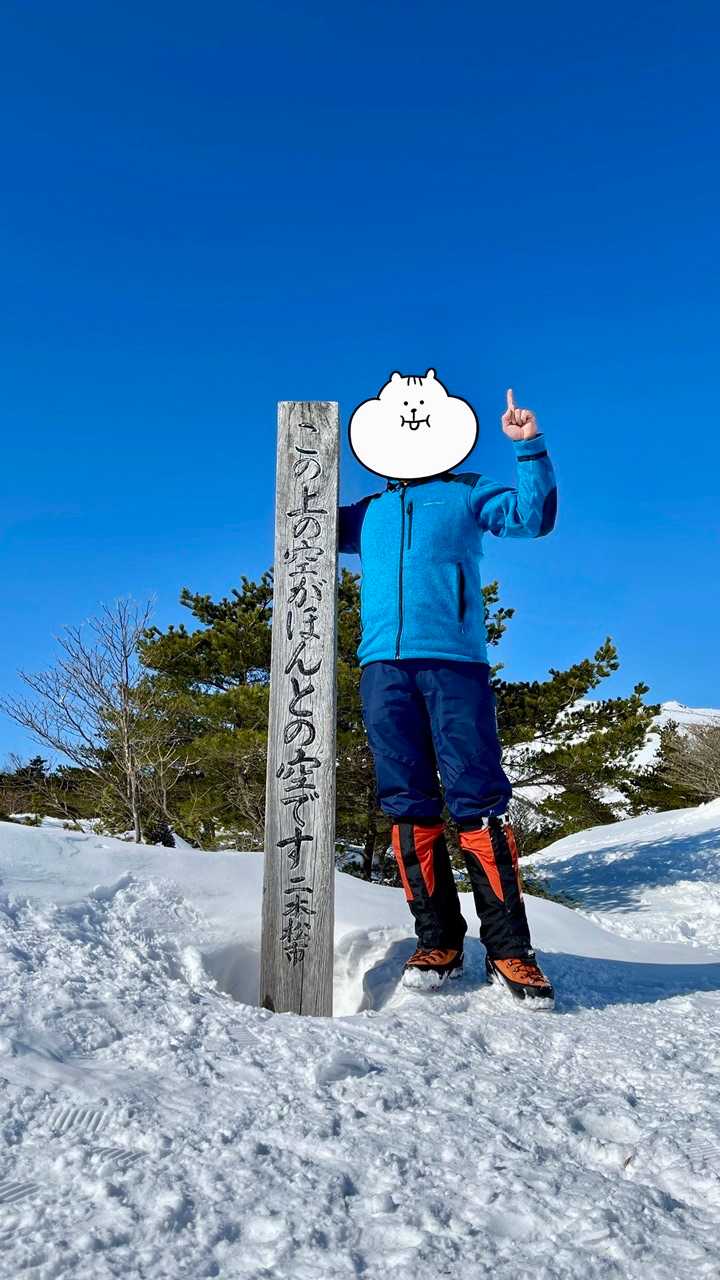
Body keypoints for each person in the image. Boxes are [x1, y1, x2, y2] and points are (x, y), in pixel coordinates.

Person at [339, 369, 557, 1004]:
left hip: (454, 665)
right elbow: (302, 526)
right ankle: (438, 940)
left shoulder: (466, 493)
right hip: (382, 668)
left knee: (477, 799)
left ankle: (510, 951)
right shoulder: (369, 513)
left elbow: (532, 517)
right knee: (406, 803)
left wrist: (528, 446)